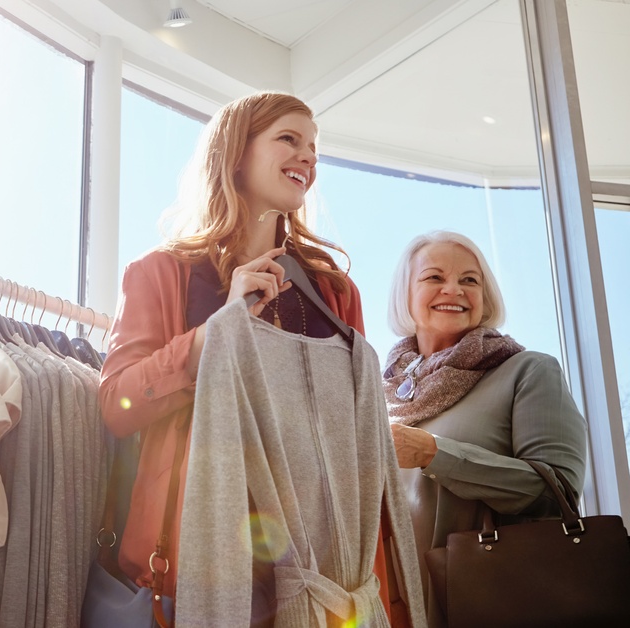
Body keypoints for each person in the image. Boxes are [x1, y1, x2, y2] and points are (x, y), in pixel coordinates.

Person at [98, 91, 384, 624]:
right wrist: (215, 334)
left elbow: (359, 443)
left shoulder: (334, 291)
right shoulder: (163, 273)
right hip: (201, 564)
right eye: (289, 140)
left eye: (314, 149)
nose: (308, 158)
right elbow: (118, 404)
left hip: (319, 566)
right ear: (235, 152)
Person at [383, 230, 587, 627]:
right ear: (404, 294)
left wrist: (434, 453)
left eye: (469, 280)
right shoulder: (381, 394)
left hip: (493, 602)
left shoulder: (528, 371)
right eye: (434, 277)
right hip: (394, 609)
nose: (453, 289)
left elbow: (556, 491)